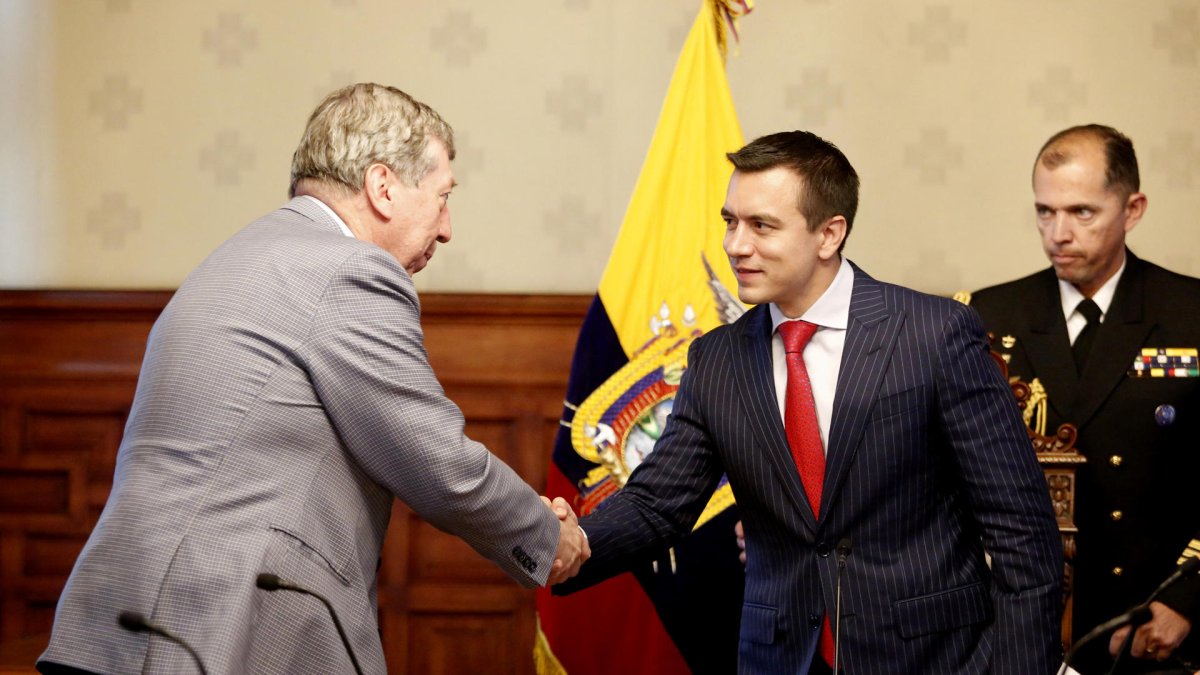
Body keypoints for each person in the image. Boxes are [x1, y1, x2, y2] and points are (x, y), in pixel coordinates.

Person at [37, 83, 588, 675]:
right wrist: (544, 535)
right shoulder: (347, 269)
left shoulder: (239, 255)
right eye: (443, 197)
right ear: (383, 187)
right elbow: (436, 462)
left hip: (124, 623)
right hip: (213, 630)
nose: (448, 227)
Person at [554, 131, 1064, 674]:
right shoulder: (716, 359)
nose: (734, 245)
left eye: (761, 226)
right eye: (730, 221)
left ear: (829, 234)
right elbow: (658, 504)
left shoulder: (932, 334)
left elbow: (1021, 532)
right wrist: (565, 543)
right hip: (779, 655)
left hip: (931, 656)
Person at [971, 124, 1200, 673]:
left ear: (1133, 208)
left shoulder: (1190, 313)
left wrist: (1187, 600)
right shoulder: (986, 316)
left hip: (1149, 622)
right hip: (1021, 628)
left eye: (1082, 212)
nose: (1058, 234)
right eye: (1044, 212)